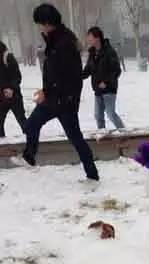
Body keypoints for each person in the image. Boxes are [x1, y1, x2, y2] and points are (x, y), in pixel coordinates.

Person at [13, 4, 99, 181]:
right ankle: (29, 157)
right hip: (56, 98)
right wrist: (45, 90)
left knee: (72, 137)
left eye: (39, 24)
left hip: (63, 100)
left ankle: (92, 174)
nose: (38, 28)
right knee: (34, 126)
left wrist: (48, 91)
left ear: (47, 23)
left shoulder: (64, 43)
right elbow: (54, 71)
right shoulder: (55, 39)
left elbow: (68, 76)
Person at [82, 27, 125, 130]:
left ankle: (124, 133)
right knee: (98, 116)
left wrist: (106, 82)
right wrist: (76, 77)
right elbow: (88, 70)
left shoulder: (109, 51)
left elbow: (116, 70)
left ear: (97, 38)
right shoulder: (92, 53)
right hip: (98, 89)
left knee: (110, 114)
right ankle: (102, 134)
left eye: (90, 37)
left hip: (109, 89)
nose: (88, 40)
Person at [0, 41, 28, 138]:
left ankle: (31, 140)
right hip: (1, 98)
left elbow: (17, 76)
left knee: (21, 119)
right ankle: (3, 144)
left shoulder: (7, 57)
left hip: (13, 96)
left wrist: (11, 88)